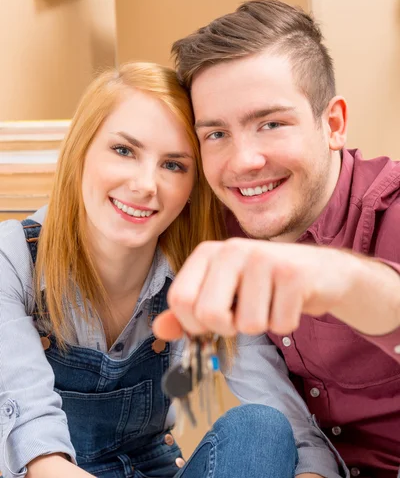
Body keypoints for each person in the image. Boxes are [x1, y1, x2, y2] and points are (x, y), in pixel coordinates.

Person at [0, 62, 300, 478]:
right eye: (124, 151)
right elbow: (39, 456)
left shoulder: (202, 272)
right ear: (80, 151)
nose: (145, 185)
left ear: (193, 188)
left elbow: (280, 413)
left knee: (262, 429)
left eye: (173, 165)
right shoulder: (12, 258)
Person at [153, 0, 400, 478]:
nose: (244, 161)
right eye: (217, 134)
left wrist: (341, 278)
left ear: (332, 125)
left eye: (271, 124)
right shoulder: (216, 221)